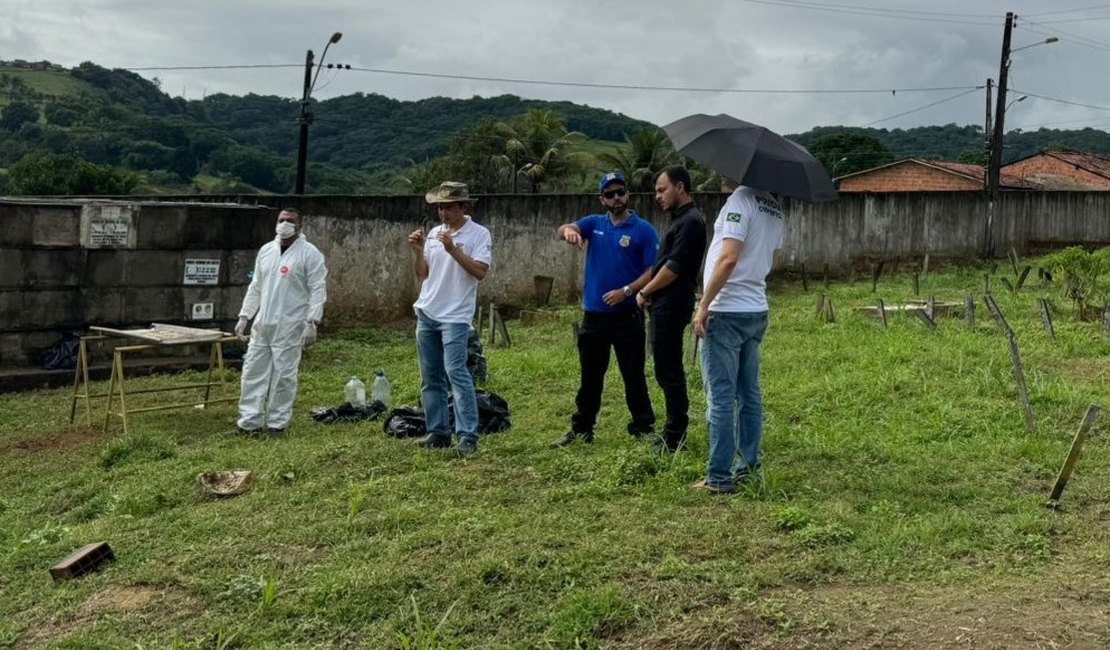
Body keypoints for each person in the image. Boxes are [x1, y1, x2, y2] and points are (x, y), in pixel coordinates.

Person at [551, 172, 659, 448]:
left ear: (628, 195)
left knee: (633, 374)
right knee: (590, 376)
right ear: (603, 200)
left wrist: (628, 290)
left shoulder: (643, 230)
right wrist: (570, 232)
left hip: (627, 315)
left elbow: (653, 271)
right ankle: (582, 429)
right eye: (610, 194)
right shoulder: (594, 224)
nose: (616, 198)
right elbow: (563, 228)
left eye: (620, 192)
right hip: (594, 316)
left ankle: (643, 426)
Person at [691, 179, 785, 493]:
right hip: (756, 308)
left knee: (720, 397)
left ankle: (718, 476)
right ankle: (748, 469)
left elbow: (729, 258)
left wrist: (704, 303)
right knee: (749, 394)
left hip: (727, 310)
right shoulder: (773, 207)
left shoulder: (740, 201)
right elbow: (772, 256)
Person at [407, 181, 493, 456]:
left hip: (455, 315)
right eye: (440, 207)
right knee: (430, 375)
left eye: (448, 207)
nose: (443, 213)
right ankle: (437, 431)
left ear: (463, 207)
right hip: (428, 310)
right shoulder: (434, 232)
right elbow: (423, 275)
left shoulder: (479, 234)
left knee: (457, 373)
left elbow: (480, 272)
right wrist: (418, 251)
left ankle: (468, 436)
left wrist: (454, 250)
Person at [231, 207, 327, 437]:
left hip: (290, 324)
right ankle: (249, 423)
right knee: (252, 372)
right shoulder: (266, 251)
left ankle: (277, 424)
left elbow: (318, 288)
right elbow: (256, 286)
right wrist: (245, 315)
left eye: (290, 220)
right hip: (263, 323)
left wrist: (312, 321)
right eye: (281, 219)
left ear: (299, 226)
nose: (284, 223)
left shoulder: (309, 254)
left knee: (283, 376)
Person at [635, 166, 708, 452]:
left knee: (670, 371)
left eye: (662, 190)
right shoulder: (680, 219)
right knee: (666, 369)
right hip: (665, 304)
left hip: (673, 304)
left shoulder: (690, 221)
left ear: (680, 187)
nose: (657, 196)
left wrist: (645, 291)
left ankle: (675, 435)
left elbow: (674, 268)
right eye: (656, 191)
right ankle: (673, 432)